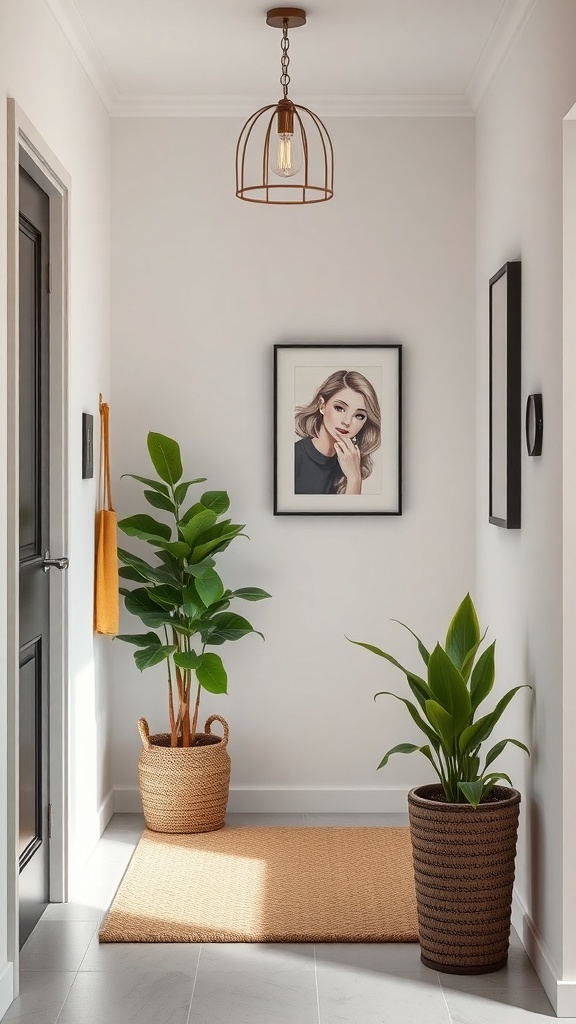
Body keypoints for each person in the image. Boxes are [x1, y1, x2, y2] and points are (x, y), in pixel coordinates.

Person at [294, 369, 381, 494]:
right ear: (322, 405)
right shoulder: (294, 456)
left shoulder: (352, 463)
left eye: (359, 416)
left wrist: (354, 478)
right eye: (339, 408)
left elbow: (349, 513)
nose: (347, 421)